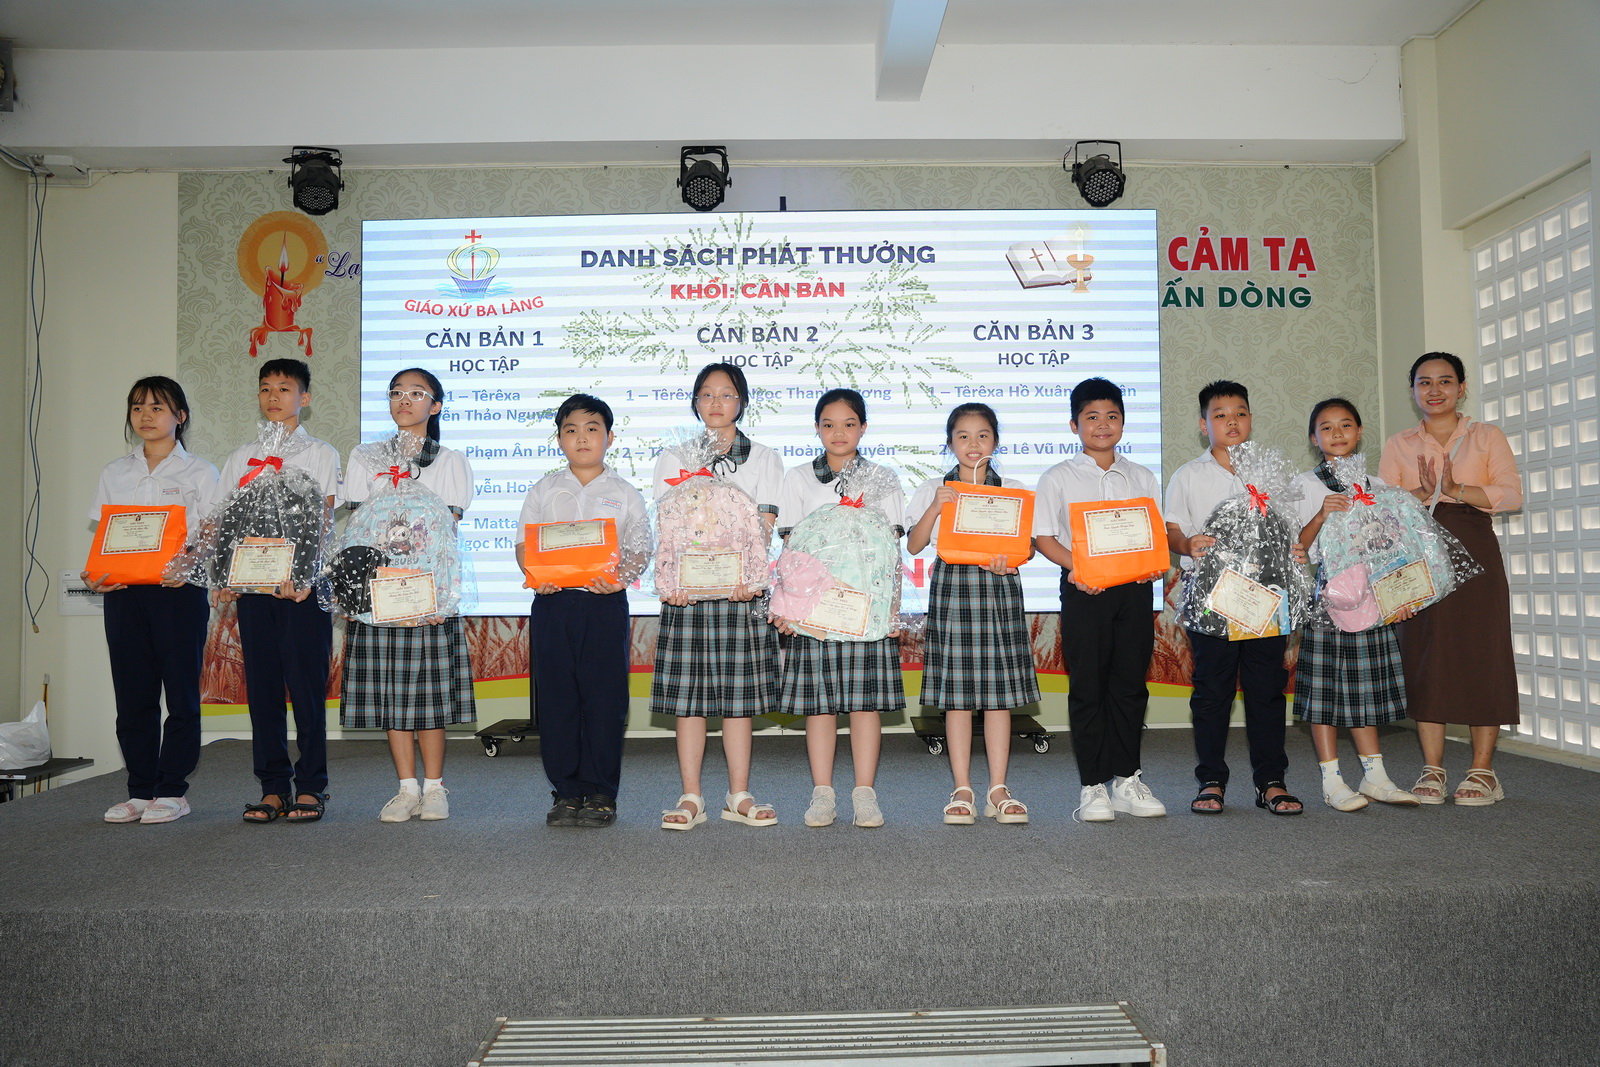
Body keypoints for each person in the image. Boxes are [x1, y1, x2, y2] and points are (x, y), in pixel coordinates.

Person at [1380, 352, 1522, 805]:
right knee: (1426, 652)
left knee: (1483, 650)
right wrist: (1421, 494)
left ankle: (1483, 770)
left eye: (1445, 381)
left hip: (1475, 544)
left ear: (1462, 388)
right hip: (1418, 552)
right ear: (1413, 391)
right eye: (1424, 382)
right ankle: (1433, 767)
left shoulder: (1486, 436)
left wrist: (1458, 490)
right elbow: (1382, 510)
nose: (1434, 390)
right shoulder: (1399, 443)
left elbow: (1512, 495)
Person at [340, 368, 477, 823]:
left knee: (428, 698)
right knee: (391, 697)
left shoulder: (449, 461)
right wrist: (359, 594)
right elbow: (359, 533)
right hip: (379, 598)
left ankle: (435, 787)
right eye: (396, 392)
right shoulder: (365, 457)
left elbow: (444, 537)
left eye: (417, 393)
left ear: (435, 406)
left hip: (427, 599)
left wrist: (439, 600)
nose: (404, 400)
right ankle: (406, 788)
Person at [652, 363, 784, 830]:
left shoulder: (764, 458)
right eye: (706, 394)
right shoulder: (674, 456)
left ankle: (738, 794)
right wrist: (674, 581)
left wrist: (748, 576)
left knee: (738, 700)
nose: (716, 403)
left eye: (726, 394)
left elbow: (764, 529)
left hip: (739, 593)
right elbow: (667, 529)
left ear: (741, 402)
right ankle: (691, 795)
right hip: (687, 596)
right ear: (695, 402)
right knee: (688, 700)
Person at [1165, 380, 1305, 815]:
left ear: (1250, 420)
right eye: (1220, 414)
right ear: (1203, 425)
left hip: (1265, 598)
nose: (1231, 421)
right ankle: (1211, 781)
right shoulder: (1189, 475)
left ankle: (1271, 781)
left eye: (1240, 413)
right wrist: (1186, 544)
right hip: (1211, 598)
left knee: (1267, 689)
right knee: (1212, 690)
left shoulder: (1271, 473)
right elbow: (1171, 527)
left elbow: (1291, 528)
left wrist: (1297, 550)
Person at [86, 376, 220, 824]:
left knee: (180, 695)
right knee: (133, 695)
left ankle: (173, 790)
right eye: (138, 407)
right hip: (124, 595)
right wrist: (95, 573)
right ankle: (140, 790)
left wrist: (188, 564)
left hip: (178, 594)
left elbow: (212, 533)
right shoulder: (114, 472)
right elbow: (106, 535)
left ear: (180, 416)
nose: (146, 416)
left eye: (157, 407)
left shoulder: (199, 471)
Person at [1033, 377, 1167, 822]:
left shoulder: (1142, 476)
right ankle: (1092, 786)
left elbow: (1153, 536)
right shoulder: (1057, 477)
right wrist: (1080, 568)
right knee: (1088, 686)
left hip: (1134, 592)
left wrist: (1154, 562)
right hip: (1083, 591)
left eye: (1112, 416)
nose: (1103, 425)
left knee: (1130, 685)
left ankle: (1127, 779)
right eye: (1092, 417)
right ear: (1075, 425)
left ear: (1123, 423)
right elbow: (1044, 538)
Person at [772, 388, 906, 829]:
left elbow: (891, 555)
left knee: (865, 706)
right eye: (828, 424)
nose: (839, 433)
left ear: (863, 428)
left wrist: (892, 612)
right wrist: (788, 607)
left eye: (849, 424)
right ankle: (823, 794)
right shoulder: (797, 478)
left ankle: (865, 793)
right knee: (820, 706)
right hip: (815, 614)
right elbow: (791, 552)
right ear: (816, 428)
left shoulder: (883, 479)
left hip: (866, 613)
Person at [515, 394, 650, 827]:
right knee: (558, 700)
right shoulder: (543, 489)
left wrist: (621, 579)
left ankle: (602, 792)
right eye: (571, 430)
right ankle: (567, 792)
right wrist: (536, 574)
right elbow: (524, 545)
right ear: (559, 440)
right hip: (552, 603)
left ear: (610, 438)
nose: (582, 438)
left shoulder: (625, 492)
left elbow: (640, 547)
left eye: (592, 429)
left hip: (604, 605)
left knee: (605, 700)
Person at [219, 358, 341, 823]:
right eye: (266, 388)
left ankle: (311, 786)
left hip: (302, 591)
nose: (274, 396)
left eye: (284, 388)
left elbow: (323, 520)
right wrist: (227, 577)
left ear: (303, 398)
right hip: (253, 589)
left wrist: (305, 577)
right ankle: (272, 787)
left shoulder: (320, 453)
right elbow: (227, 521)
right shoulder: (241, 456)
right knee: (263, 689)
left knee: (306, 689)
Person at [907, 403, 1039, 825]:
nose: (973, 444)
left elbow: (1028, 546)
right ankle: (962, 787)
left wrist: (1012, 558)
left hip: (999, 590)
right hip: (953, 591)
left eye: (983, 435)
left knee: (1000, 698)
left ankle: (998, 789)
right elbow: (913, 545)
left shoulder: (1013, 488)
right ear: (950, 443)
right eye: (963, 436)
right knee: (957, 697)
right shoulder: (934, 487)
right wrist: (936, 506)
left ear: (995, 441)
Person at [1290, 398, 1418, 812]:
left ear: (1360, 432)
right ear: (1314, 438)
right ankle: (1332, 780)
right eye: (1326, 427)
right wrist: (1320, 515)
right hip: (1327, 597)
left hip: (1373, 598)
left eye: (1346, 425)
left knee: (1366, 687)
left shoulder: (1378, 486)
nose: (1337, 433)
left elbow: (1395, 550)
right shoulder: (1303, 485)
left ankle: (1375, 775)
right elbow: (1296, 550)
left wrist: (1400, 597)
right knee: (1324, 691)